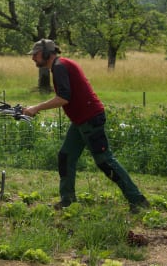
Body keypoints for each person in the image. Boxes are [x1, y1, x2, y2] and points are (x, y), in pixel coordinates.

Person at [22, 38, 150, 213]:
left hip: (90, 119)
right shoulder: (60, 65)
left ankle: (138, 200)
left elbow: (64, 98)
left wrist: (36, 108)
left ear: (46, 53)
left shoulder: (59, 67)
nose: (33, 58)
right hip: (81, 121)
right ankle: (68, 201)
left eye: (35, 54)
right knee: (65, 157)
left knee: (105, 161)